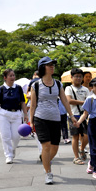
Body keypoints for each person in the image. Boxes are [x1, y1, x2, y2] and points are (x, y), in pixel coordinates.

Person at [30, 56, 77, 184]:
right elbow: (33, 105)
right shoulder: (36, 85)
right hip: (41, 118)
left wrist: (71, 116)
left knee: (55, 148)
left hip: (55, 118)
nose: (52, 66)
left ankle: (45, 160)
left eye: (53, 64)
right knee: (46, 146)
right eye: (49, 64)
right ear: (42, 68)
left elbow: (64, 101)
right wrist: (31, 121)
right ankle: (48, 172)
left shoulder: (58, 83)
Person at [0, 69, 28, 164]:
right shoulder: (1, 89)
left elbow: (22, 102)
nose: (12, 77)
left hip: (16, 114)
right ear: (5, 78)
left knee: (16, 136)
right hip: (3, 114)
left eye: (13, 75)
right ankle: (8, 155)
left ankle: (13, 148)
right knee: (5, 136)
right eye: (10, 76)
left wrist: (25, 114)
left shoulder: (18, 88)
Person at [65, 68, 90, 165]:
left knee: (87, 135)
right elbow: (69, 100)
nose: (78, 78)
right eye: (76, 76)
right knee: (75, 136)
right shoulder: (69, 88)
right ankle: (76, 157)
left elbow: (89, 102)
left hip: (84, 115)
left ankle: (81, 148)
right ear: (71, 77)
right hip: (73, 115)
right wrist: (84, 102)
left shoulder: (86, 89)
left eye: (80, 76)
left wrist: (84, 103)